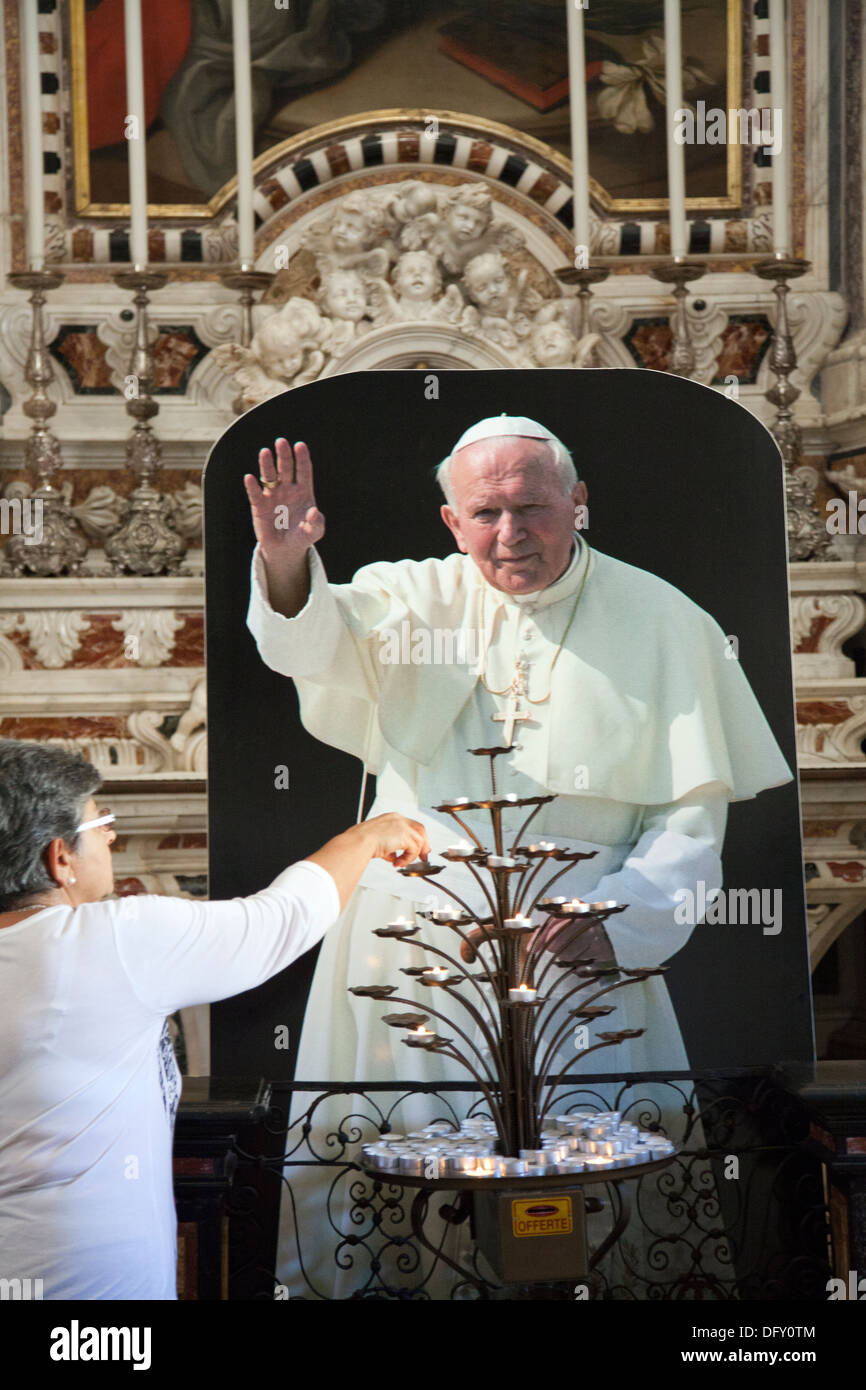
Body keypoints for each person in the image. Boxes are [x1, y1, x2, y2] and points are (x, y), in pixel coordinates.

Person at [243, 414, 793, 1297]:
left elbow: (690, 830)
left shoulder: (665, 619)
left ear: (578, 504)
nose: (510, 534)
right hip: (412, 952)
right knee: (396, 1191)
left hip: (578, 951)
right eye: (485, 514)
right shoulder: (411, 597)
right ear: (451, 523)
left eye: (532, 507)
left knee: (598, 1201)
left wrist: (614, 919)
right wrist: (284, 563)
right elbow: (307, 639)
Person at [0, 738, 427, 1301]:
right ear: (60, 859)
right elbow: (281, 920)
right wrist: (365, 836)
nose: (111, 836)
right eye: (100, 822)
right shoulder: (109, 941)